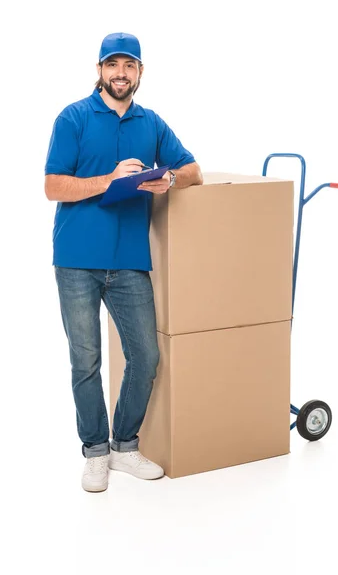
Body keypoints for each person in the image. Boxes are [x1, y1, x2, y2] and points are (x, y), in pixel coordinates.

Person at [44, 32, 202, 493]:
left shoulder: (150, 123)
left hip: (130, 261)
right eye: (112, 65)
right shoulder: (72, 117)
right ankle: (95, 452)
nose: (120, 73)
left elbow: (194, 169)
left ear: (140, 73)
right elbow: (53, 186)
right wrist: (108, 181)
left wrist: (169, 177)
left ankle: (124, 445)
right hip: (76, 260)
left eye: (129, 66)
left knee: (146, 356)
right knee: (86, 359)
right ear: (98, 70)